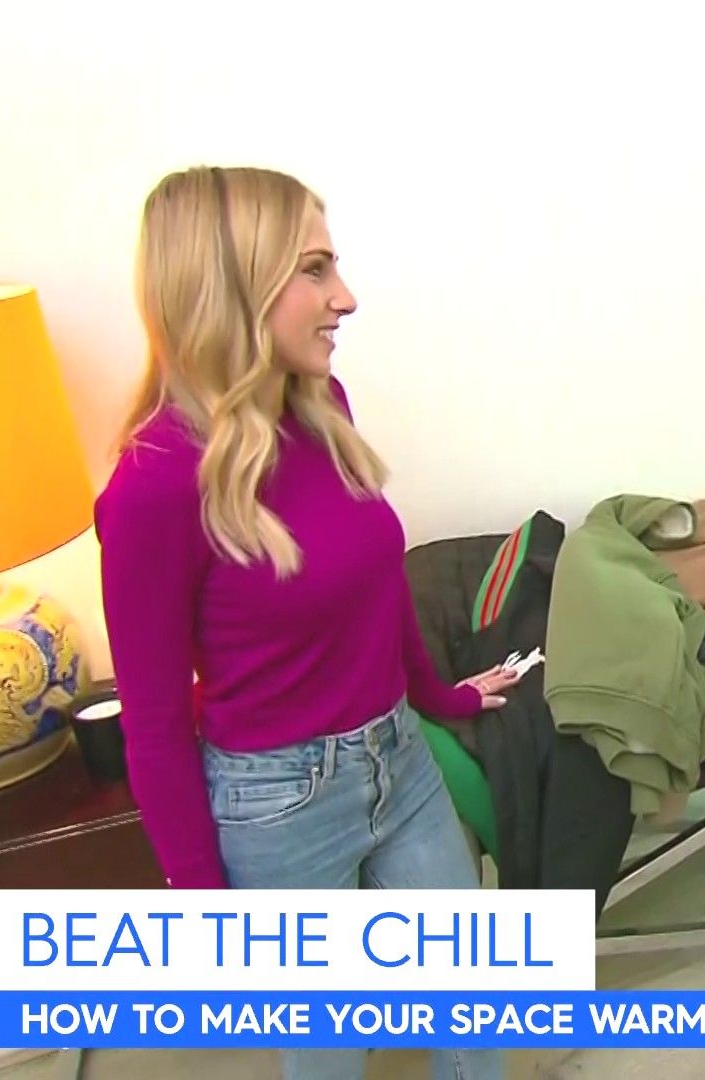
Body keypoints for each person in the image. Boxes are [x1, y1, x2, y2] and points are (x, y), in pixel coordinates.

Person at [95, 165, 519, 1080]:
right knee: (328, 1061)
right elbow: (154, 724)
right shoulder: (153, 487)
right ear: (234, 284)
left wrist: (439, 697)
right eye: (315, 270)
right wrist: (199, 904)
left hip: (397, 762)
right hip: (277, 808)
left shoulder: (323, 405)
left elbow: (379, 590)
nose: (345, 298)